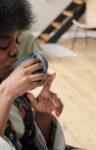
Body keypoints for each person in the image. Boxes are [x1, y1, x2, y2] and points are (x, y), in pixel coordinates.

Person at [0, 0, 67, 149]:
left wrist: (42, 114)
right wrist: (5, 94)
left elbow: (34, 144)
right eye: (3, 44)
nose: (15, 50)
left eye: (16, 40)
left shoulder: (18, 97)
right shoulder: (8, 90)